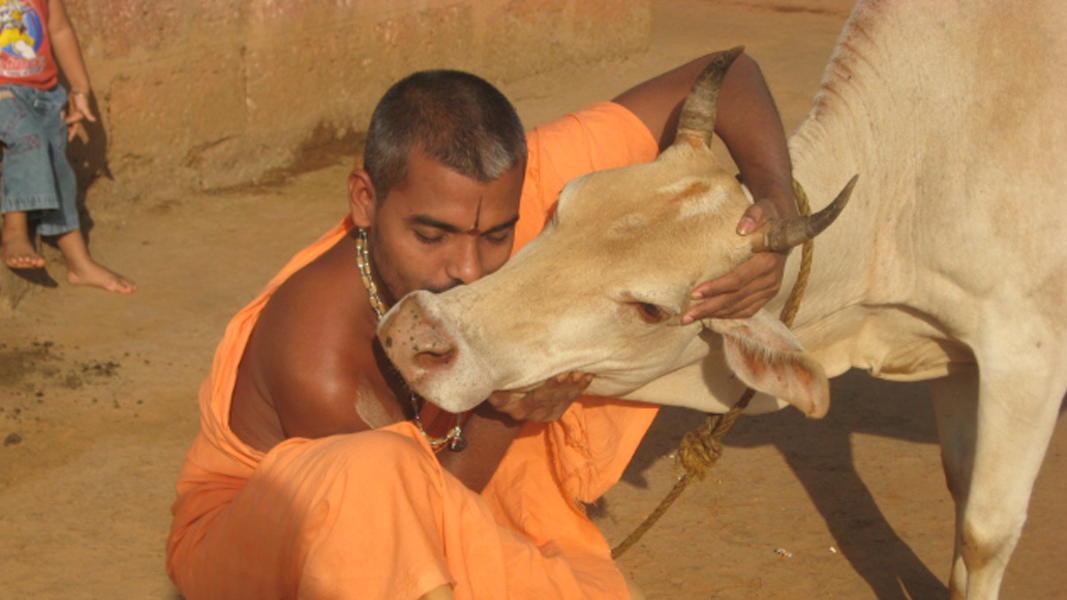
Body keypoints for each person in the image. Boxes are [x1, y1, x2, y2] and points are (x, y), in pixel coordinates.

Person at [167, 48, 796, 599]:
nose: (466, 269)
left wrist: (775, 212)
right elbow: (417, 523)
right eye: (430, 235)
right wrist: (508, 411)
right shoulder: (317, 351)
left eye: (497, 236)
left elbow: (726, 73)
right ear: (365, 200)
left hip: (423, 508)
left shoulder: (517, 183)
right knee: (375, 471)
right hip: (261, 546)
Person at [0, 0, 136, 293]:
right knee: (28, 137)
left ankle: (79, 262)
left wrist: (80, 89)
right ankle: (13, 231)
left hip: (44, 95)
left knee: (59, 167)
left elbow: (59, 30)